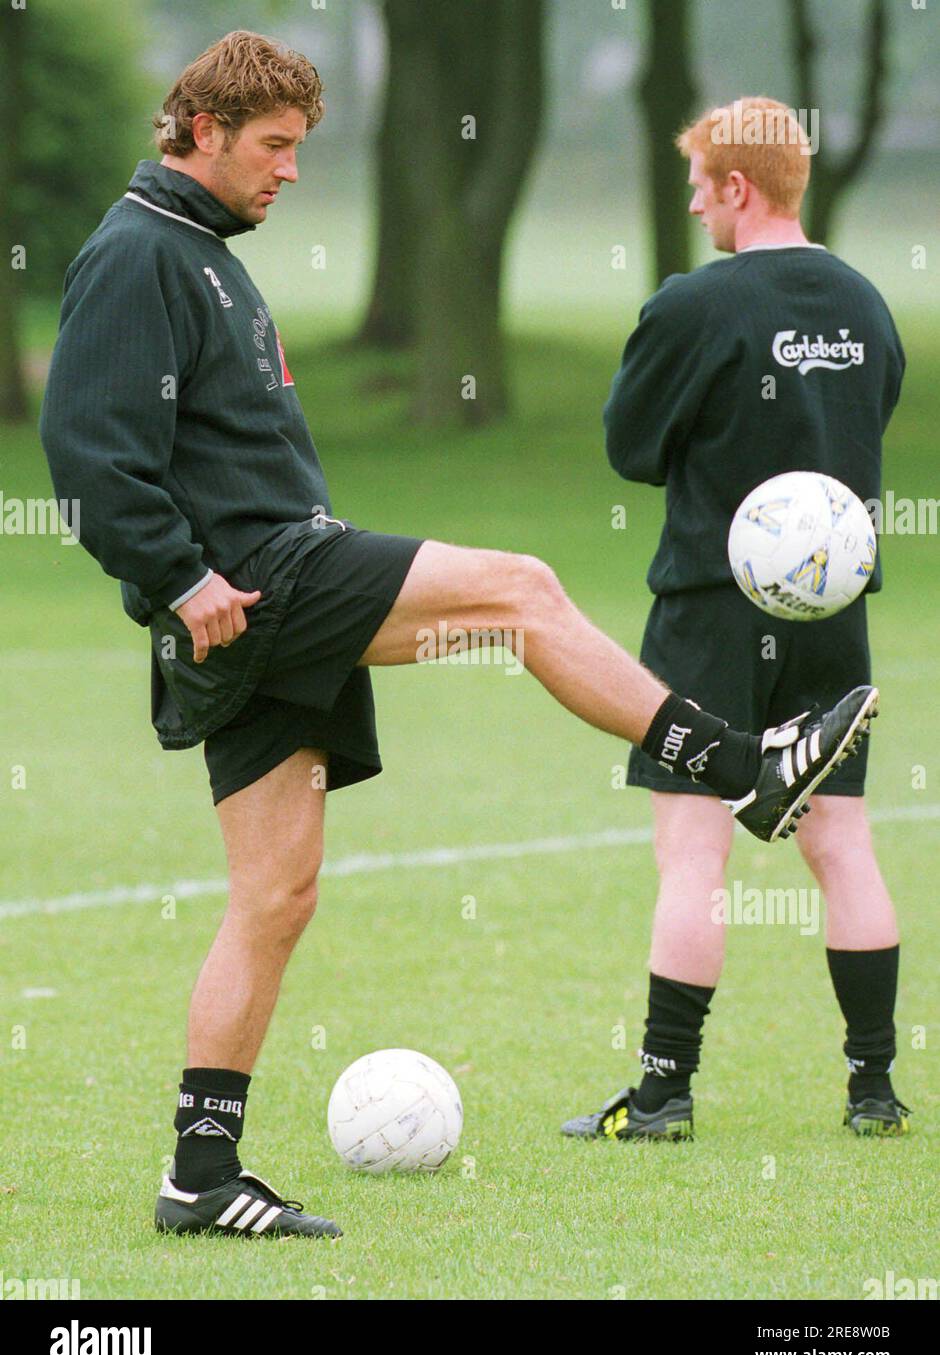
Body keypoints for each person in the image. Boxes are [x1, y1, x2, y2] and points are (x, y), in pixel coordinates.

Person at [40, 41, 877, 1242]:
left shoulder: (206, 254)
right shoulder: (138, 253)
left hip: (265, 600)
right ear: (200, 128)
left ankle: (198, 1174)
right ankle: (742, 769)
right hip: (264, 577)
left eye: (298, 149)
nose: (288, 172)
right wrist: (176, 577)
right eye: (272, 147)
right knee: (523, 591)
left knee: (273, 896)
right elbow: (85, 452)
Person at [562, 97, 907, 1147]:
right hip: (830, 603)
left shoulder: (694, 304)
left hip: (712, 605)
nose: (692, 202)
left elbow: (628, 445)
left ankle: (663, 1093)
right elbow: (874, 405)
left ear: (737, 187)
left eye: (698, 185)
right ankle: (873, 1090)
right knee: (841, 839)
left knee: (692, 852)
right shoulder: (864, 300)